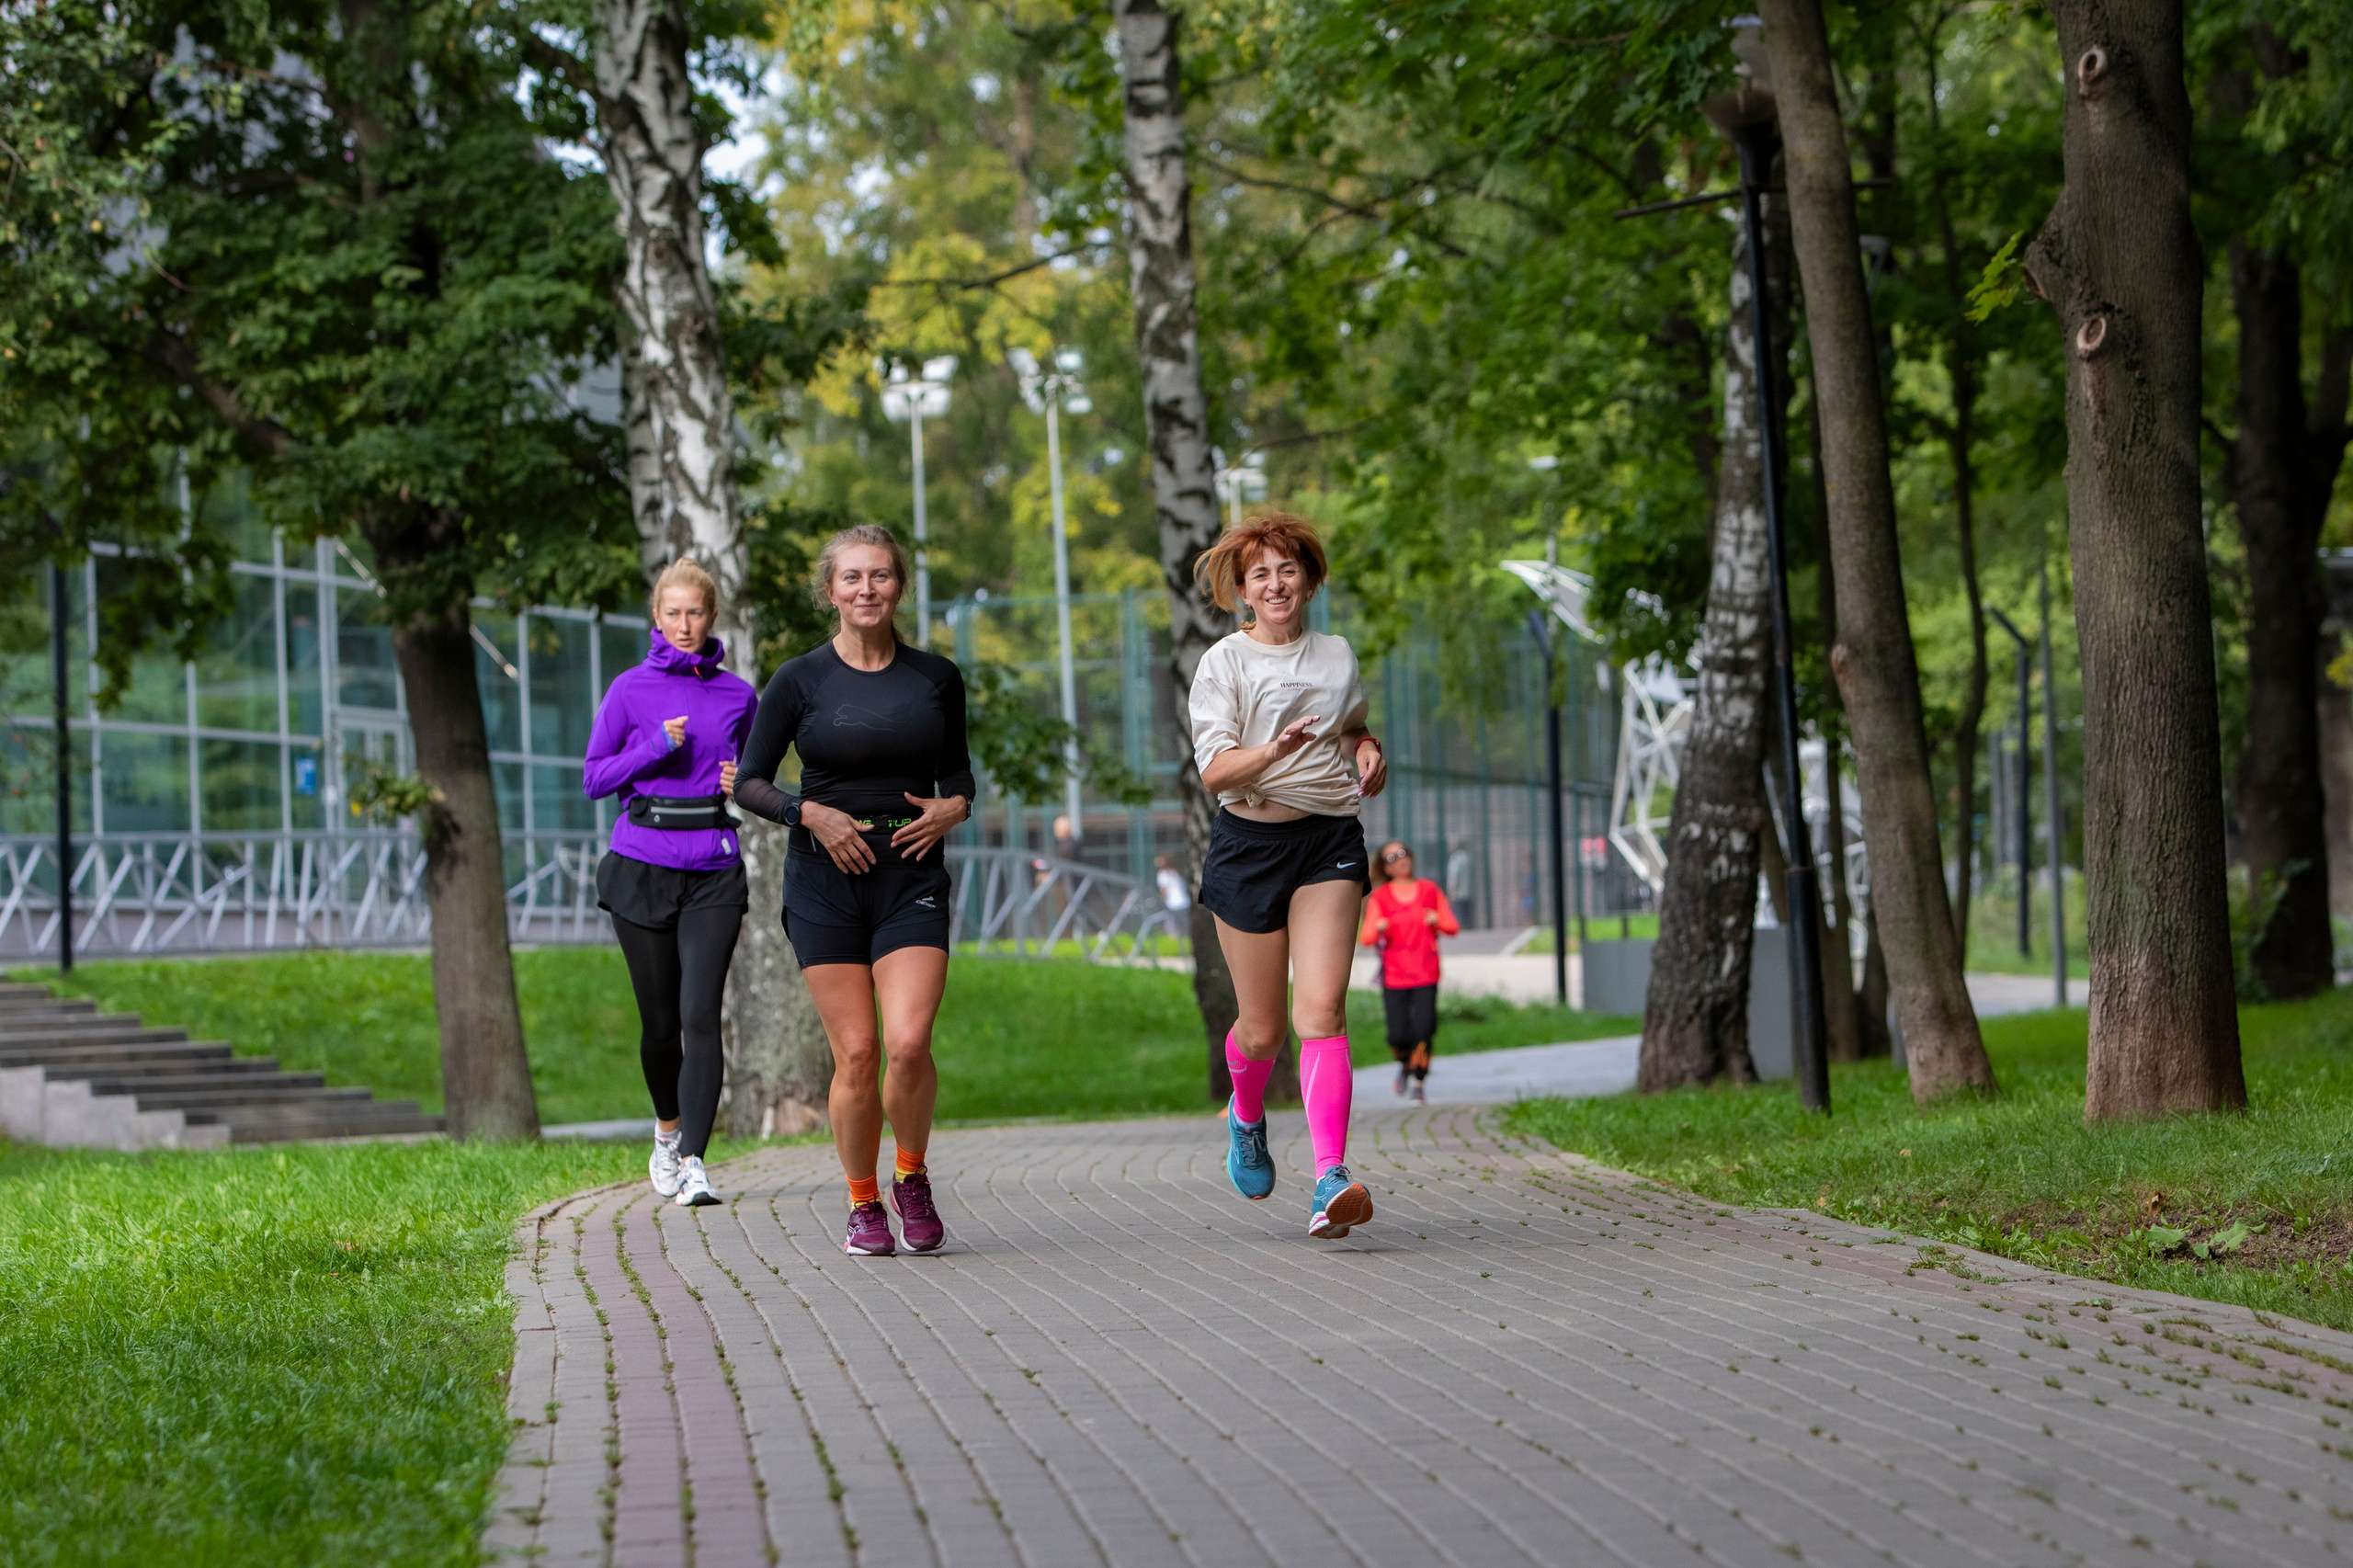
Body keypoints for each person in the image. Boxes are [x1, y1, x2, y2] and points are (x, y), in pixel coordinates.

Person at [722, 525, 973, 1258]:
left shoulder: (936, 677)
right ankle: (863, 1203)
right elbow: (753, 782)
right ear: (830, 590)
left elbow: (958, 775)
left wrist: (955, 807)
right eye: (853, 578)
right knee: (858, 1052)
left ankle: (912, 1175)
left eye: (882, 576)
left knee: (908, 1042)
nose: (868, 590)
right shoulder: (799, 681)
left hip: (911, 871)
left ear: (899, 586)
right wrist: (812, 813)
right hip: (824, 878)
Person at [1188, 513, 1387, 1239]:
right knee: (1265, 1032)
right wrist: (1273, 750)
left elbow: (1353, 724)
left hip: (1329, 842)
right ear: (1243, 591)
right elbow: (1215, 772)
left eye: (1288, 570)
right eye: (1260, 574)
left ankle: (1331, 1176)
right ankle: (1246, 1115)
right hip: (1249, 846)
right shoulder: (1225, 664)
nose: (1276, 584)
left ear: (1309, 580)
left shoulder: (1336, 655)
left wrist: (1367, 749)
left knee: (1323, 1012)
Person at [584, 558, 760, 1209]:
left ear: (713, 617)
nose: (685, 625)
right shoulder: (629, 690)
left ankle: (694, 1162)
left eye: (696, 613)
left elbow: (756, 779)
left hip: (712, 868)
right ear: (656, 618)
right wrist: (654, 748)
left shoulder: (739, 695)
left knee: (698, 1016)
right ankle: (666, 1130)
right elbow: (595, 778)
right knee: (660, 1025)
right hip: (642, 867)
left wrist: (739, 782)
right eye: (673, 613)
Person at [1359, 840, 1460, 1103]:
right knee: (1398, 1035)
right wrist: (1379, 926)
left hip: (1426, 973)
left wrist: (1437, 920)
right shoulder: (1380, 898)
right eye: (1391, 858)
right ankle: (1404, 1064)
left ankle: (1418, 1082)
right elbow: (1366, 937)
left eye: (1402, 854)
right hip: (1394, 976)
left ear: (1411, 857)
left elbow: (1452, 926)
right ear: (1384, 867)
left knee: (1424, 1030)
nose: (1399, 860)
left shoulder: (1429, 890)